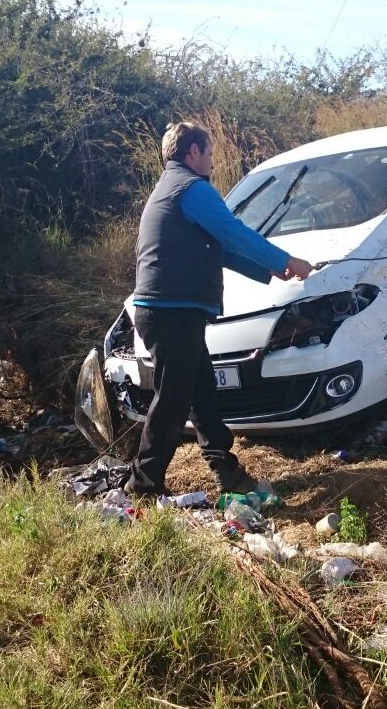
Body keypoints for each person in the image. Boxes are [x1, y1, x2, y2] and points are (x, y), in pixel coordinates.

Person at [128, 121, 313, 496]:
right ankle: (142, 485)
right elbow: (232, 231)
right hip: (172, 311)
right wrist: (288, 258)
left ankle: (226, 471)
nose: (213, 162)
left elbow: (220, 247)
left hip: (171, 311)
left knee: (201, 392)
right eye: (210, 154)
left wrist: (271, 269)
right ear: (192, 152)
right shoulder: (191, 188)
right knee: (173, 400)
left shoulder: (172, 187)